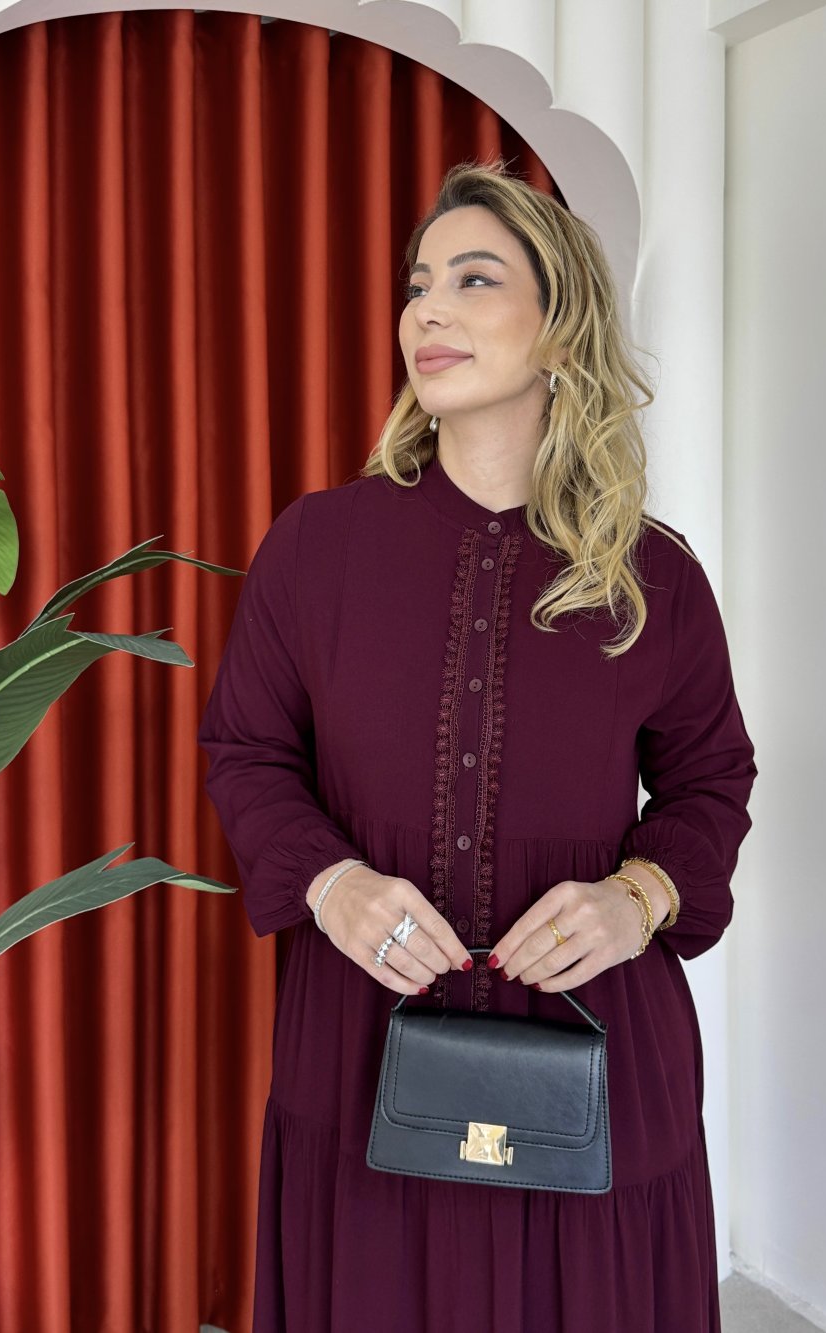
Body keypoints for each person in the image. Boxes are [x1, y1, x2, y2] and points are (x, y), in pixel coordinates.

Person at [197, 158, 757, 1333]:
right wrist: (330, 881)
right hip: (361, 1051)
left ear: (559, 332)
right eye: (418, 285)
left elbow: (711, 780)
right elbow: (246, 749)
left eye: (473, 279)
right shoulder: (316, 548)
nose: (426, 311)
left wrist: (639, 897)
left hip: (596, 1056)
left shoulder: (654, 577)